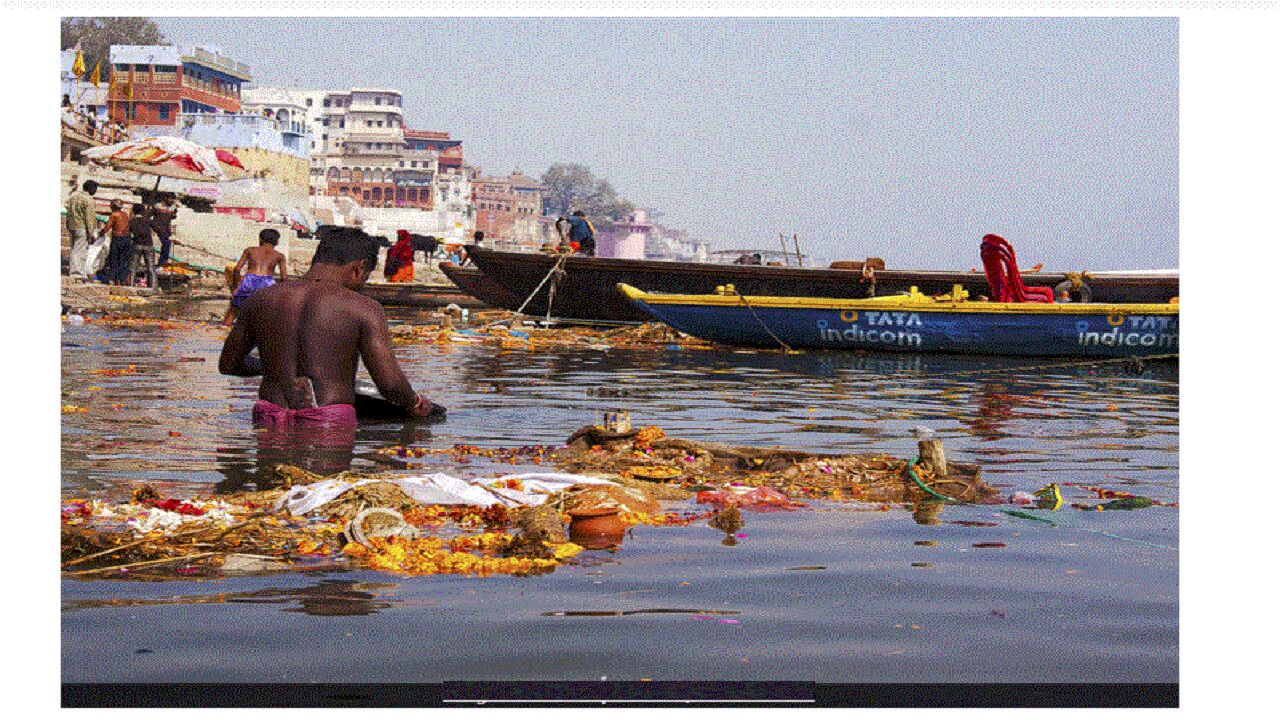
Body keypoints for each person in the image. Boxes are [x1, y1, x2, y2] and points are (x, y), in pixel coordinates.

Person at [219, 226, 444, 426]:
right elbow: (390, 385)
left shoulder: (261, 299)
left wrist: (274, 365)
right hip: (328, 422)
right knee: (328, 475)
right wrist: (416, 402)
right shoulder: (363, 308)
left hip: (269, 417)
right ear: (359, 268)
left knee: (269, 471)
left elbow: (229, 365)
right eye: (365, 278)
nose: (361, 286)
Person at [223, 228, 288, 326]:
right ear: (277, 242)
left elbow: (237, 269)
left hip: (249, 280)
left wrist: (236, 286)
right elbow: (284, 278)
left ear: (260, 239)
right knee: (265, 315)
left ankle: (225, 329)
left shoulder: (250, 250)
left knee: (233, 311)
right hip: (268, 283)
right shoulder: (279, 256)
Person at [66, 179, 99, 280]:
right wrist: (91, 233)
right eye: (95, 189)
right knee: (80, 250)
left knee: (74, 249)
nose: (95, 191)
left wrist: (68, 226)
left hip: (72, 226)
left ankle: (77, 271)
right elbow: (89, 218)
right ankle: (77, 272)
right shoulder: (88, 200)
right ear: (90, 188)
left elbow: (68, 213)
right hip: (82, 228)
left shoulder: (73, 197)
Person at [100, 199, 133, 285]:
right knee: (123, 259)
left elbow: (107, 228)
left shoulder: (114, 215)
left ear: (113, 206)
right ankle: (122, 279)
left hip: (118, 238)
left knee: (114, 259)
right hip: (127, 239)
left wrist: (100, 233)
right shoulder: (125, 214)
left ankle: (116, 280)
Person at [128, 203, 157, 288]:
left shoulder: (131, 221)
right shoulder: (147, 220)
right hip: (148, 245)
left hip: (137, 244)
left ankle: (131, 286)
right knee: (151, 267)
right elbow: (157, 228)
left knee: (133, 267)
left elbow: (128, 232)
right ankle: (152, 287)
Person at [150, 193, 177, 266]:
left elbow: (173, 217)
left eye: (173, 199)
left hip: (166, 228)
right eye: (170, 199)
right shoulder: (158, 206)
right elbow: (150, 215)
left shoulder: (173, 207)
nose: (171, 201)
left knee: (168, 244)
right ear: (165, 198)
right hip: (158, 227)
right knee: (166, 243)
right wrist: (154, 226)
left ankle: (163, 261)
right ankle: (162, 262)